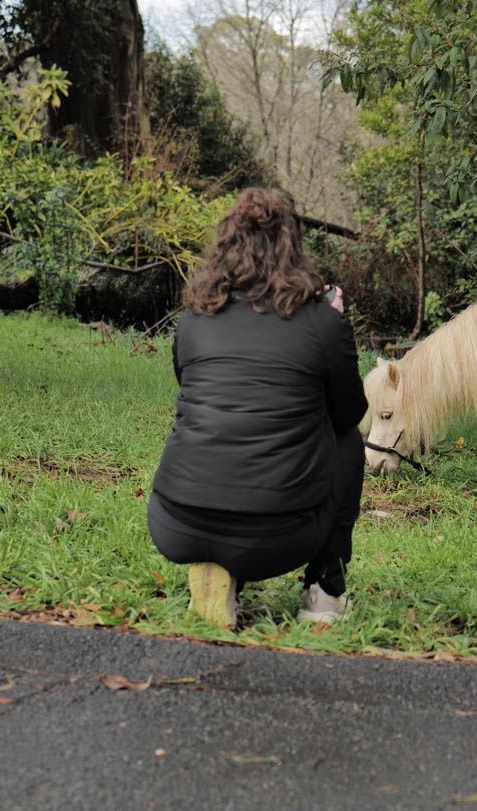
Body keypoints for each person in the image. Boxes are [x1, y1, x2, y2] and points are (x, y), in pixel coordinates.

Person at [148, 187, 367, 629]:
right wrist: (337, 323)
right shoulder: (323, 321)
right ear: (293, 249)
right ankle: (324, 592)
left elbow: (193, 386)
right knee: (348, 441)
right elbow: (348, 414)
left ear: (224, 246)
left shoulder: (193, 318)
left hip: (174, 523)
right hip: (280, 539)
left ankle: (221, 572)